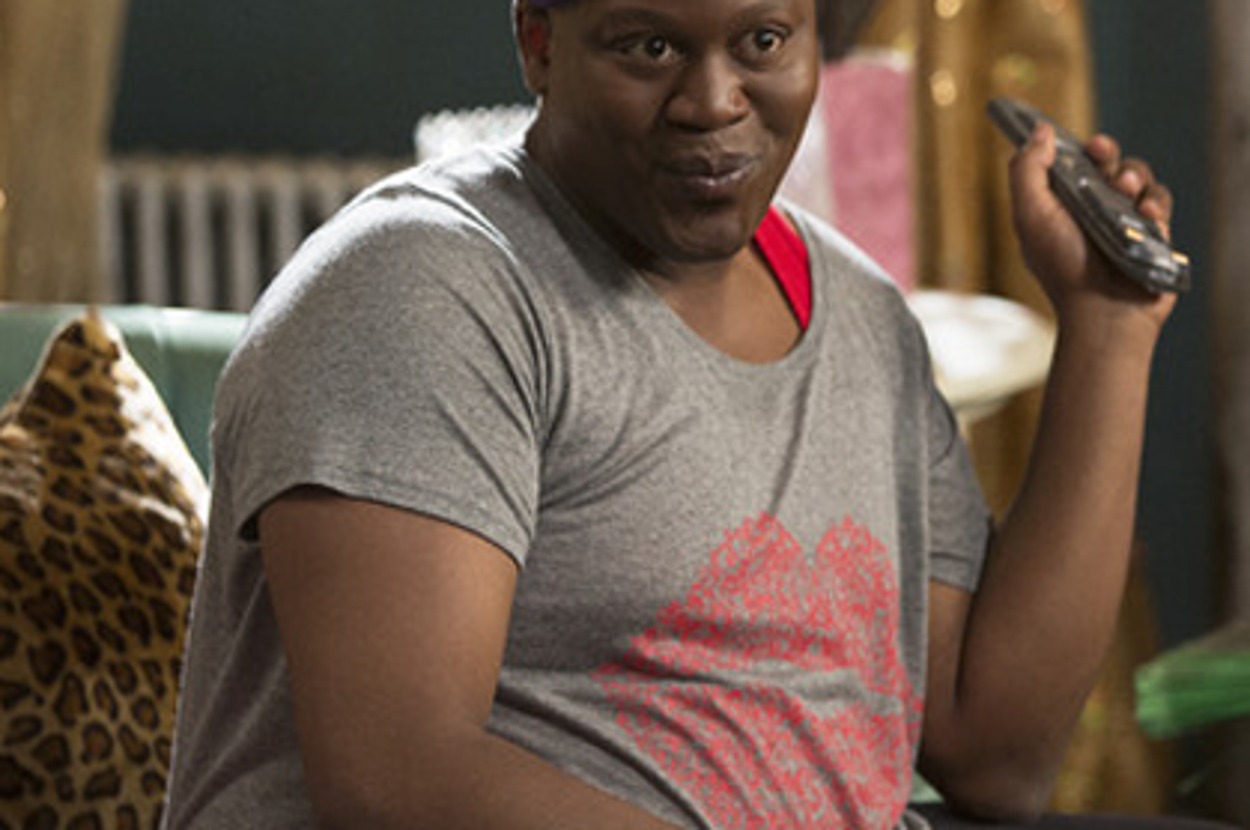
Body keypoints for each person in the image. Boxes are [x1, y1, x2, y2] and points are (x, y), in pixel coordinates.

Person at [161, 0, 1225, 827]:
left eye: (762, 40)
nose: (712, 101)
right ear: (538, 41)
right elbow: (400, 781)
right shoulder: (422, 289)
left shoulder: (862, 318)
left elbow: (998, 756)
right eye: (650, 48)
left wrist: (1107, 332)